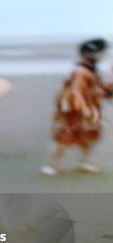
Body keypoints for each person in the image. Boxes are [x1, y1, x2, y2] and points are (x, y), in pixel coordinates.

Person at [42, 38, 112, 175]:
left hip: (88, 105)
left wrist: (108, 90)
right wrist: (85, 110)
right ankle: (52, 165)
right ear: (90, 54)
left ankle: (84, 162)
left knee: (89, 135)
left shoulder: (91, 70)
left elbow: (97, 89)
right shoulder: (81, 71)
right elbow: (76, 92)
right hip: (73, 108)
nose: (103, 56)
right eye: (101, 53)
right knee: (65, 135)